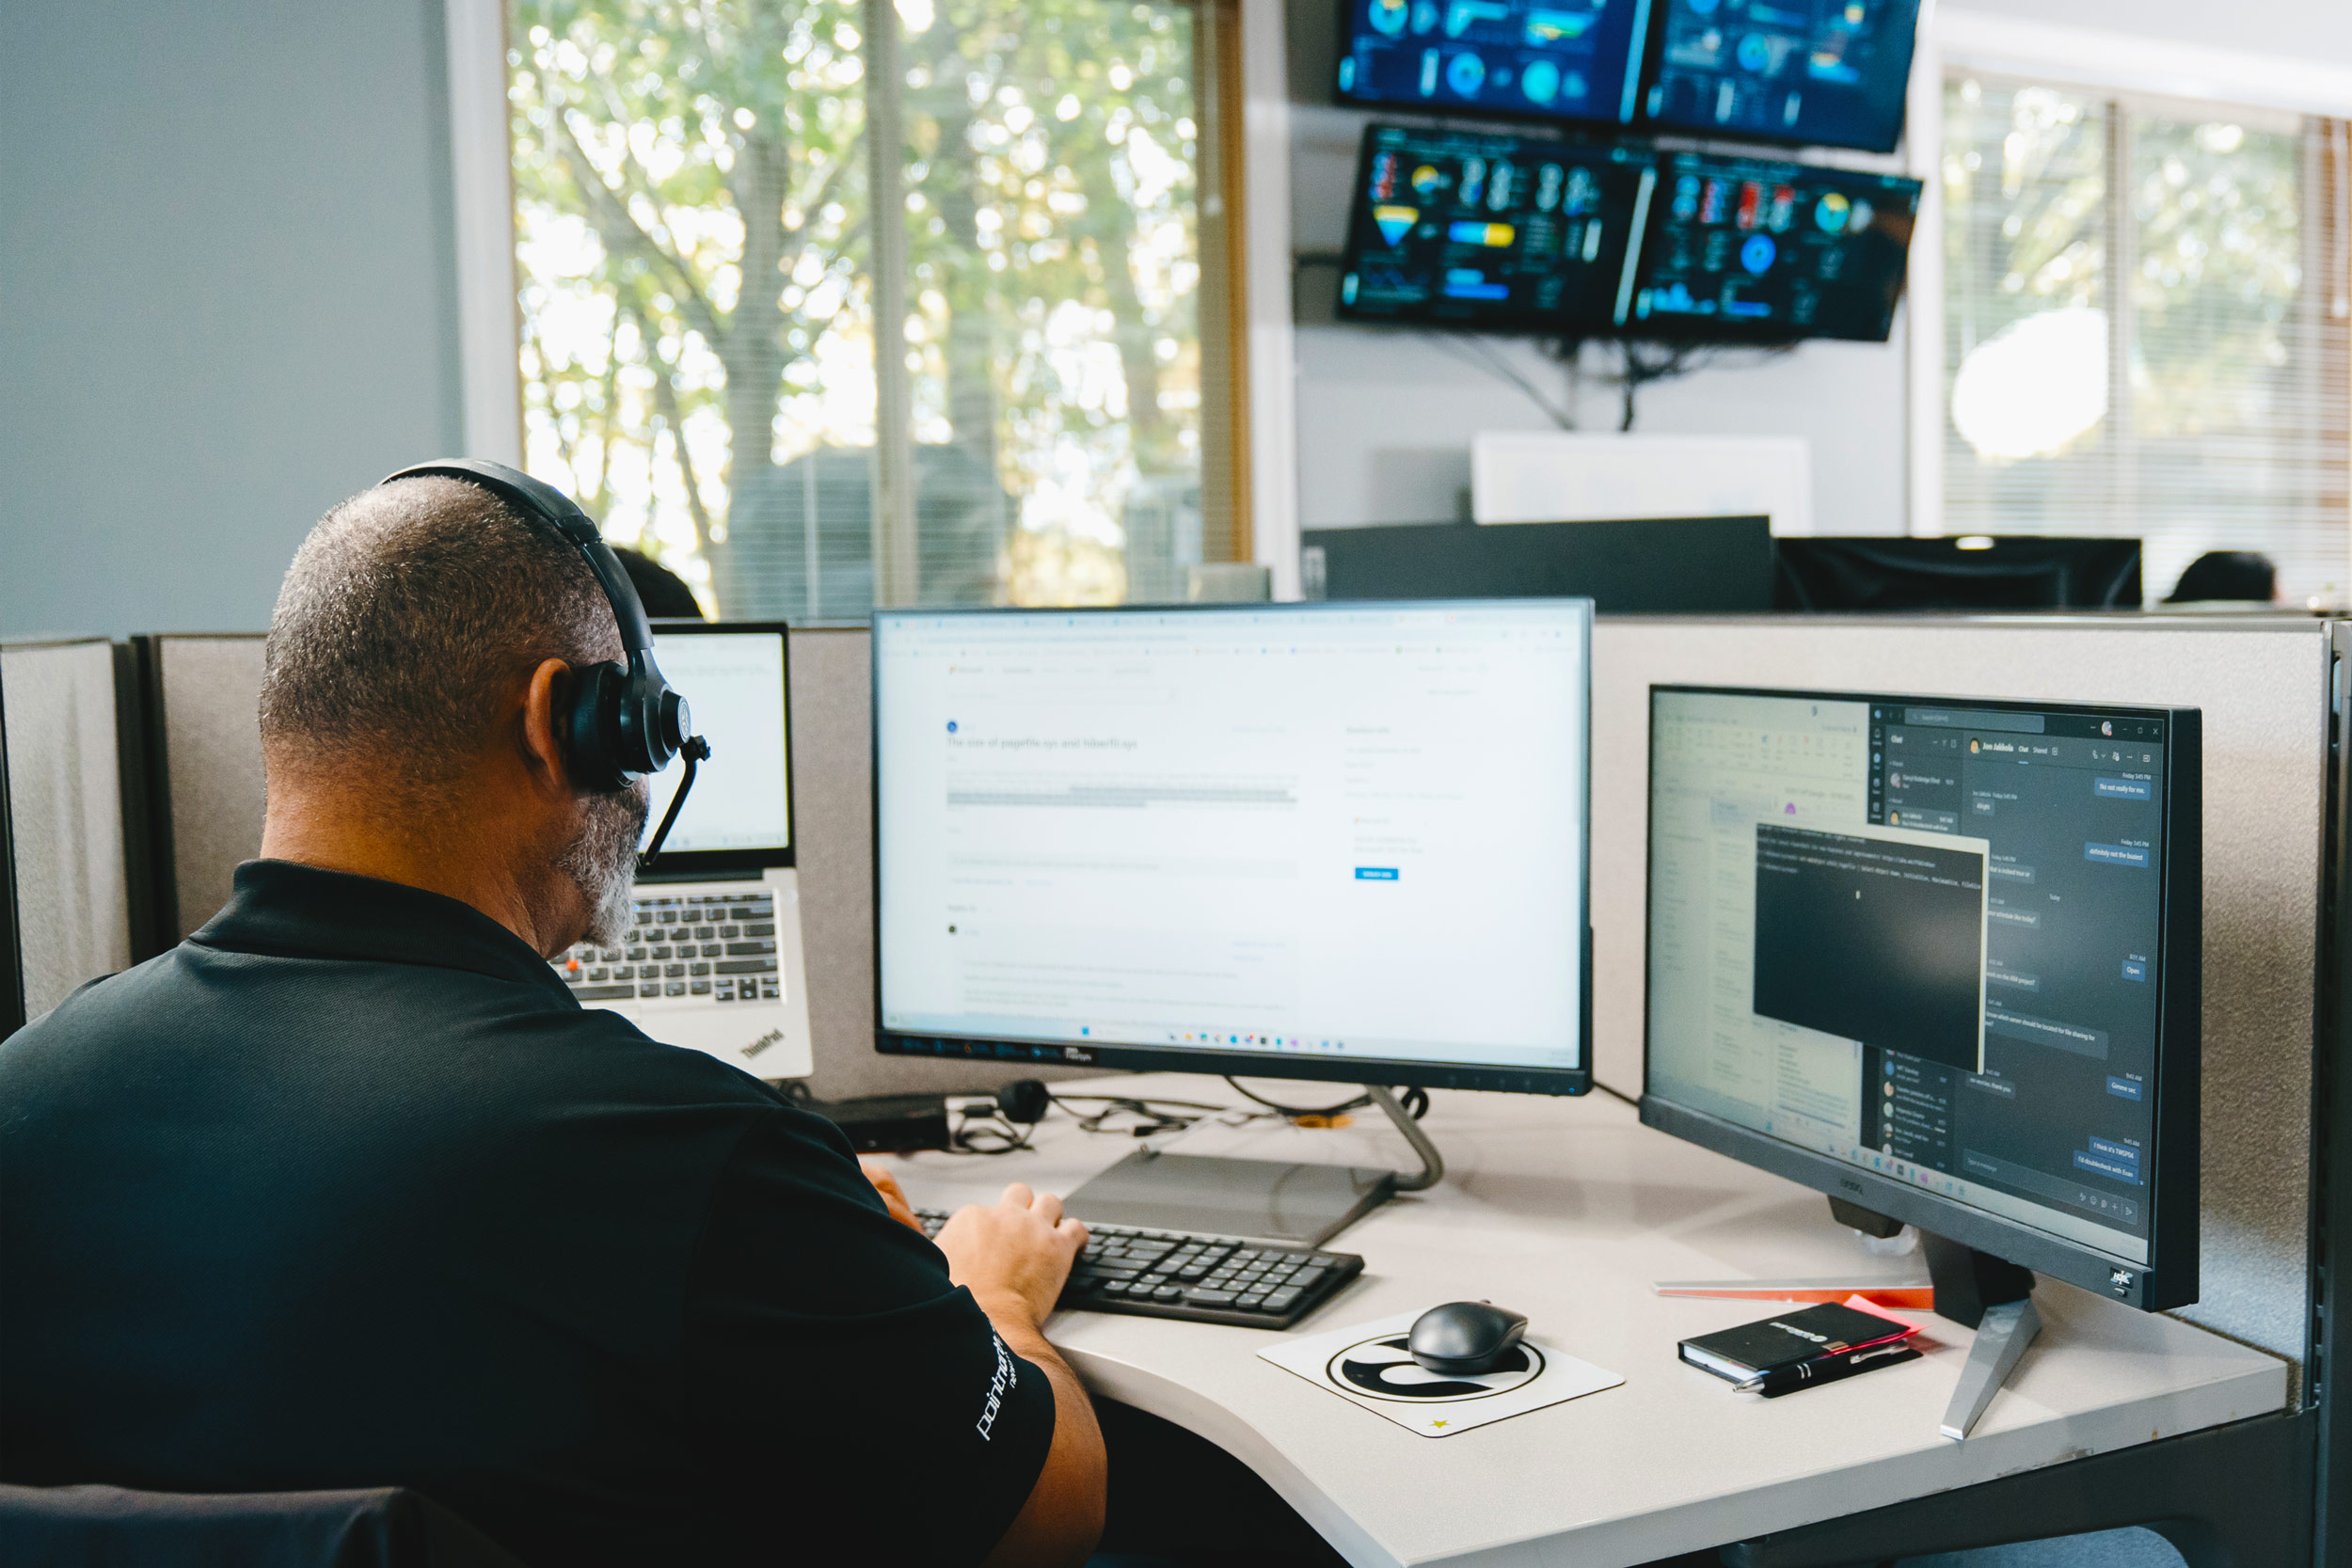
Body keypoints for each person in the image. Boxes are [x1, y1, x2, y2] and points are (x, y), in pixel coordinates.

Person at [0, 474, 1105, 1567]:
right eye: (642, 729)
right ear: (555, 723)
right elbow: (1041, 1518)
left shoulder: (28, 1094)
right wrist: (987, 1294)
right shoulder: (689, 1153)